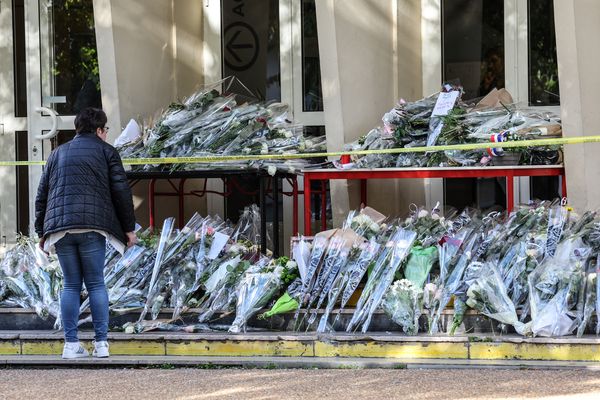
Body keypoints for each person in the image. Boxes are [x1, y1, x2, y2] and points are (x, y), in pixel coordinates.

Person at [35, 108, 137, 359]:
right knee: (95, 283)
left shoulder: (57, 153)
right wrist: (129, 229)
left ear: (77, 128)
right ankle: (101, 344)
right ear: (100, 130)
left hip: (61, 228)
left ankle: (71, 345)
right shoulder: (107, 152)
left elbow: (42, 195)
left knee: (70, 285)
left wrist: (41, 230)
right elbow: (121, 193)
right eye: (106, 130)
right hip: (93, 226)